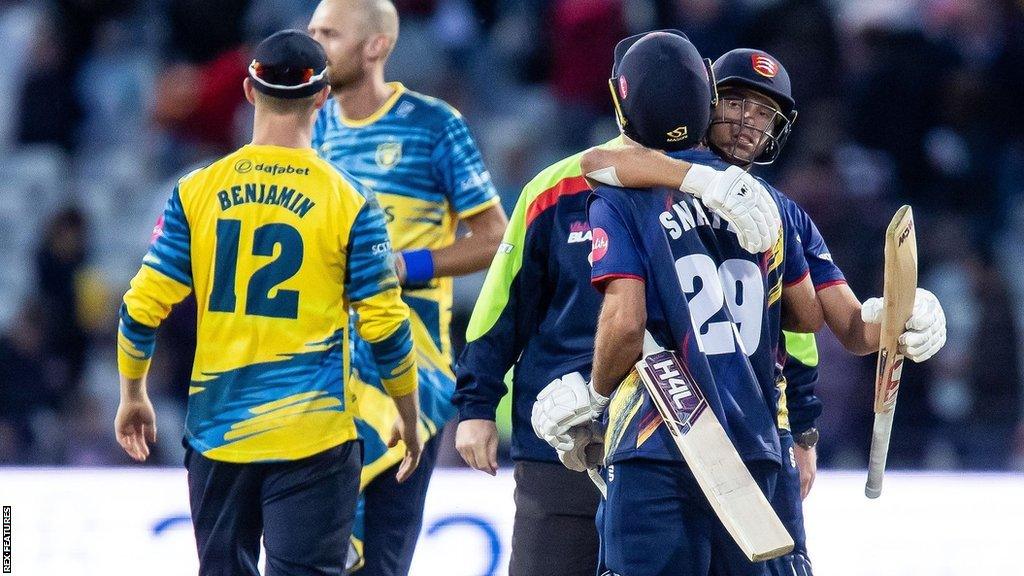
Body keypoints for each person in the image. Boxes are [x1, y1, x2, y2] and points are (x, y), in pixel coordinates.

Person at [577, 48, 948, 575]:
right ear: (704, 100)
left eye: (765, 112)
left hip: (682, 441)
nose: (749, 121)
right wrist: (702, 179)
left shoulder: (775, 210)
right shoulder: (742, 202)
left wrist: (900, 315)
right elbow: (592, 160)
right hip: (723, 445)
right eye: (737, 102)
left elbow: (837, 322)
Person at [457, 30, 813, 576]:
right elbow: (502, 305)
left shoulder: (740, 200)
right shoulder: (556, 188)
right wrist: (477, 406)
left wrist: (802, 428)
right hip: (567, 432)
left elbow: (780, 326)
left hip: (684, 440)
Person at [113, 30, 421, 576]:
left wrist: (134, 393)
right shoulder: (351, 200)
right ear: (323, 97)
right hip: (313, 439)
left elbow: (141, 306)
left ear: (250, 94)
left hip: (218, 434)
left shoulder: (195, 190)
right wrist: (406, 411)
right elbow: (385, 323)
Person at [307, 1, 507, 573]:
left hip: (411, 374)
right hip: (323, 369)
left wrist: (403, 266)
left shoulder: (433, 125)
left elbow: (497, 239)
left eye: (330, 34)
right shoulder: (308, 128)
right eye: (312, 32)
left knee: (380, 562)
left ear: (375, 46)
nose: (315, 45)